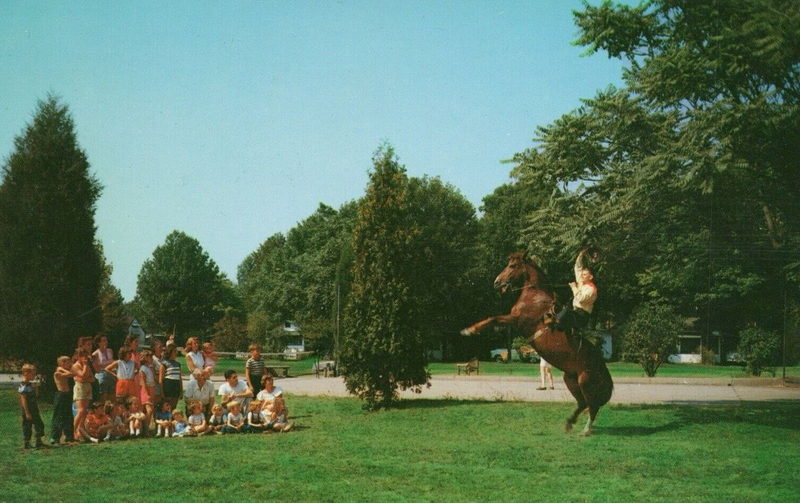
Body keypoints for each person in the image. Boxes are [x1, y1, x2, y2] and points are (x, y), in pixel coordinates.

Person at [554, 248, 598, 337]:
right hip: (575, 312)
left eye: (585, 274)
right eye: (582, 274)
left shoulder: (592, 290)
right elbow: (578, 267)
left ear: (591, 277)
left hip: (581, 317)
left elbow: (581, 299)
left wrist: (574, 287)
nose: (582, 275)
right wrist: (581, 254)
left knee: (562, 315)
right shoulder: (581, 281)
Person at [19, 363, 45, 449]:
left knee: (39, 424)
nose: (34, 376)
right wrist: (27, 412)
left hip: (34, 407)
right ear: (26, 373)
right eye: (32, 374)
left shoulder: (31, 384)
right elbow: (23, 399)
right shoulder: (24, 384)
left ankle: (39, 441)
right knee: (27, 425)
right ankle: (27, 443)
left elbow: (37, 396)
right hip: (27, 408)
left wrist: (36, 387)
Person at [50, 356, 75, 445]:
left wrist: (66, 370)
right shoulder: (57, 372)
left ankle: (69, 436)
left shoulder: (65, 371)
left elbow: (73, 373)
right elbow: (71, 374)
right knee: (58, 416)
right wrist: (61, 368)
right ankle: (55, 437)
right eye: (67, 362)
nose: (70, 364)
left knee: (68, 415)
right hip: (61, 395)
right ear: (62, 363)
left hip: (67, 395)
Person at [71, 348, 94, 442]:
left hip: (87, 387)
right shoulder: (75, 366)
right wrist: (85, 366)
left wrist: (86, 378)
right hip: (80, 388)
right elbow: (83, 375)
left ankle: (81, 431)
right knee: (81, 410)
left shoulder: (87, 365)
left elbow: (92, 378)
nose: (85, 358)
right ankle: (73, 431)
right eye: (83, 356)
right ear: (78, 357)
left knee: (85, 412)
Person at [138, 350, 157, 430]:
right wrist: (147, 394)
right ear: (145, 358)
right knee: (149, 410)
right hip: (146, 389)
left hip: (152, 388)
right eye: (150, 357)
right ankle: (145, 428)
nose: (152, 359)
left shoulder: (149, 368)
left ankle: (146, 427)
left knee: (150, 410)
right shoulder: (143, 368)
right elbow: (143, 382)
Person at [160, 344, 183, 410]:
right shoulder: (164, 364)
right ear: (170, 352)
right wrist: (162, 393)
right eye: (174, 351)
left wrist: (181, 390)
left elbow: (180, 378)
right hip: (168, 386)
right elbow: (161, 380)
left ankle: (173, 419)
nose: (176, 353)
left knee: (174, 406)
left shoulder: (178, 364)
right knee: (168, 406)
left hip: (176, 386)